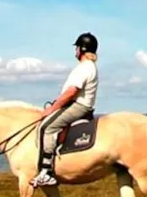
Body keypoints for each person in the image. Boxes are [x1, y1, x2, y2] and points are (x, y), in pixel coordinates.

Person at [30, 32, 99, 187]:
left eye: (76, 48)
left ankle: (46, 172)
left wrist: (52, 109)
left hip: (79, 106)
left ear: (82, 49)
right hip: (79, 104)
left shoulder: (84, 67)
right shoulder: (89, 66)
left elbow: (71, 92)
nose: (75, 51)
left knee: (47, 127)